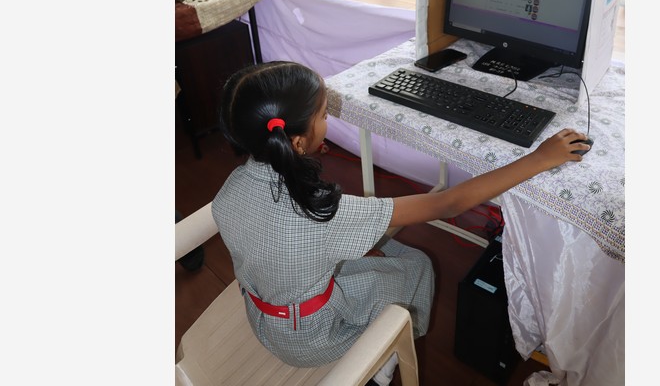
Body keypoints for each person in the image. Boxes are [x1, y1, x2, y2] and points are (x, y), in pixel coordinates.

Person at [211, 61, 587, 376]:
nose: (327, 122)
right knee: (416, 263)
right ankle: (387, 356)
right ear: (295, 142)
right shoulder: (319, 213)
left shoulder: (232, 187)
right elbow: (450, 204)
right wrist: (540, 158)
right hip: (312, 337)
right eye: (324, 116)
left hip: (264, 312)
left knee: (380, 242)